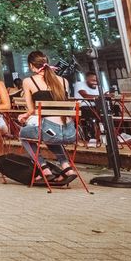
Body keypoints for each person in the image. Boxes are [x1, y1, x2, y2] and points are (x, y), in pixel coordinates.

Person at [19, 50, 77, 183]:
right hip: (70, 132)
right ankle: (66, 167)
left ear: (31, 66)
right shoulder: (63, 81)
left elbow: (31, 110)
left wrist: (23, 116)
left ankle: (43, 167)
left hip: (51, 131)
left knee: (24, 134)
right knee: (48, 134)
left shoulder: (29, 81)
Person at [72, 71, 104, 146]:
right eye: (93, 80)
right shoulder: (79, 84)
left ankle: (119, 134)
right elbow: (85, 95)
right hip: (83, 107)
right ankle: (91, 137)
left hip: (97, 107)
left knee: (114, 109)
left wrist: (107, 95)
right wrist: (101, 96)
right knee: (91, 112)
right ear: (87, 79)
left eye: (96, 80)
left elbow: (106, 94)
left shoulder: (99, 87)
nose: (95, 82)